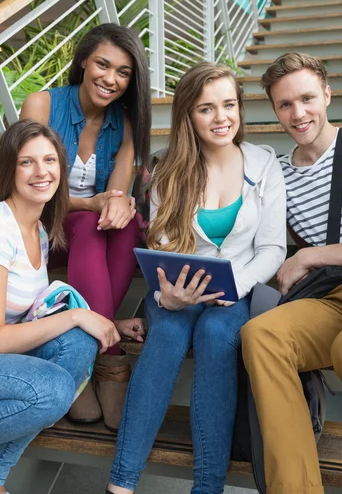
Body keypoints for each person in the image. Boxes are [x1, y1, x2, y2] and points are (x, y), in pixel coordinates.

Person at [106, 62, 287, 494]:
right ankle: (121, 483)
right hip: (175, 291)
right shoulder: (168, 169)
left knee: (215, 336)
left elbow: (272, 249)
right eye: (206, 108)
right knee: (166, 336)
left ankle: (208, 486)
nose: (221, 117)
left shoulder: (263, 164)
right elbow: (165, 247)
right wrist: (169, 297)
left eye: (228, 105)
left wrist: (234, 287)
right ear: (188, 115)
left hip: (235, 292)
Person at [241, 51, 342, 494]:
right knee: (261, 335)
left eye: (307, 98)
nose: (299, 113)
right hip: (337, 297)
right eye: (285, 105)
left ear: (327, 94)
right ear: (274, 111)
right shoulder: (279, 176)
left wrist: (311, 255)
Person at [20, 23, 150, 430]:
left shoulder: (126, 124)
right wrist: (93, 204)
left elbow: (113, 196)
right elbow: (21, 187)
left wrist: (115, 205)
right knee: (89, 223)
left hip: (88, 234)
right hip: (40, 232)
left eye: (124, 72)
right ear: (83, 62)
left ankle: (88, 358)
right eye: (103, 65)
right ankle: (111, 359)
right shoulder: (42, 105)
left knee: (125, 227)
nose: (110, 79)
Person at [0, 120, 123, 494]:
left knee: (80, 342)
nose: (42, 172)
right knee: (53, 390)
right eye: (27, 162)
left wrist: (99, 319)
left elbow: (26, 315)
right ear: (8, 169)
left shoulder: (37, 227)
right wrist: (75, 314)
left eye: (50, 160)